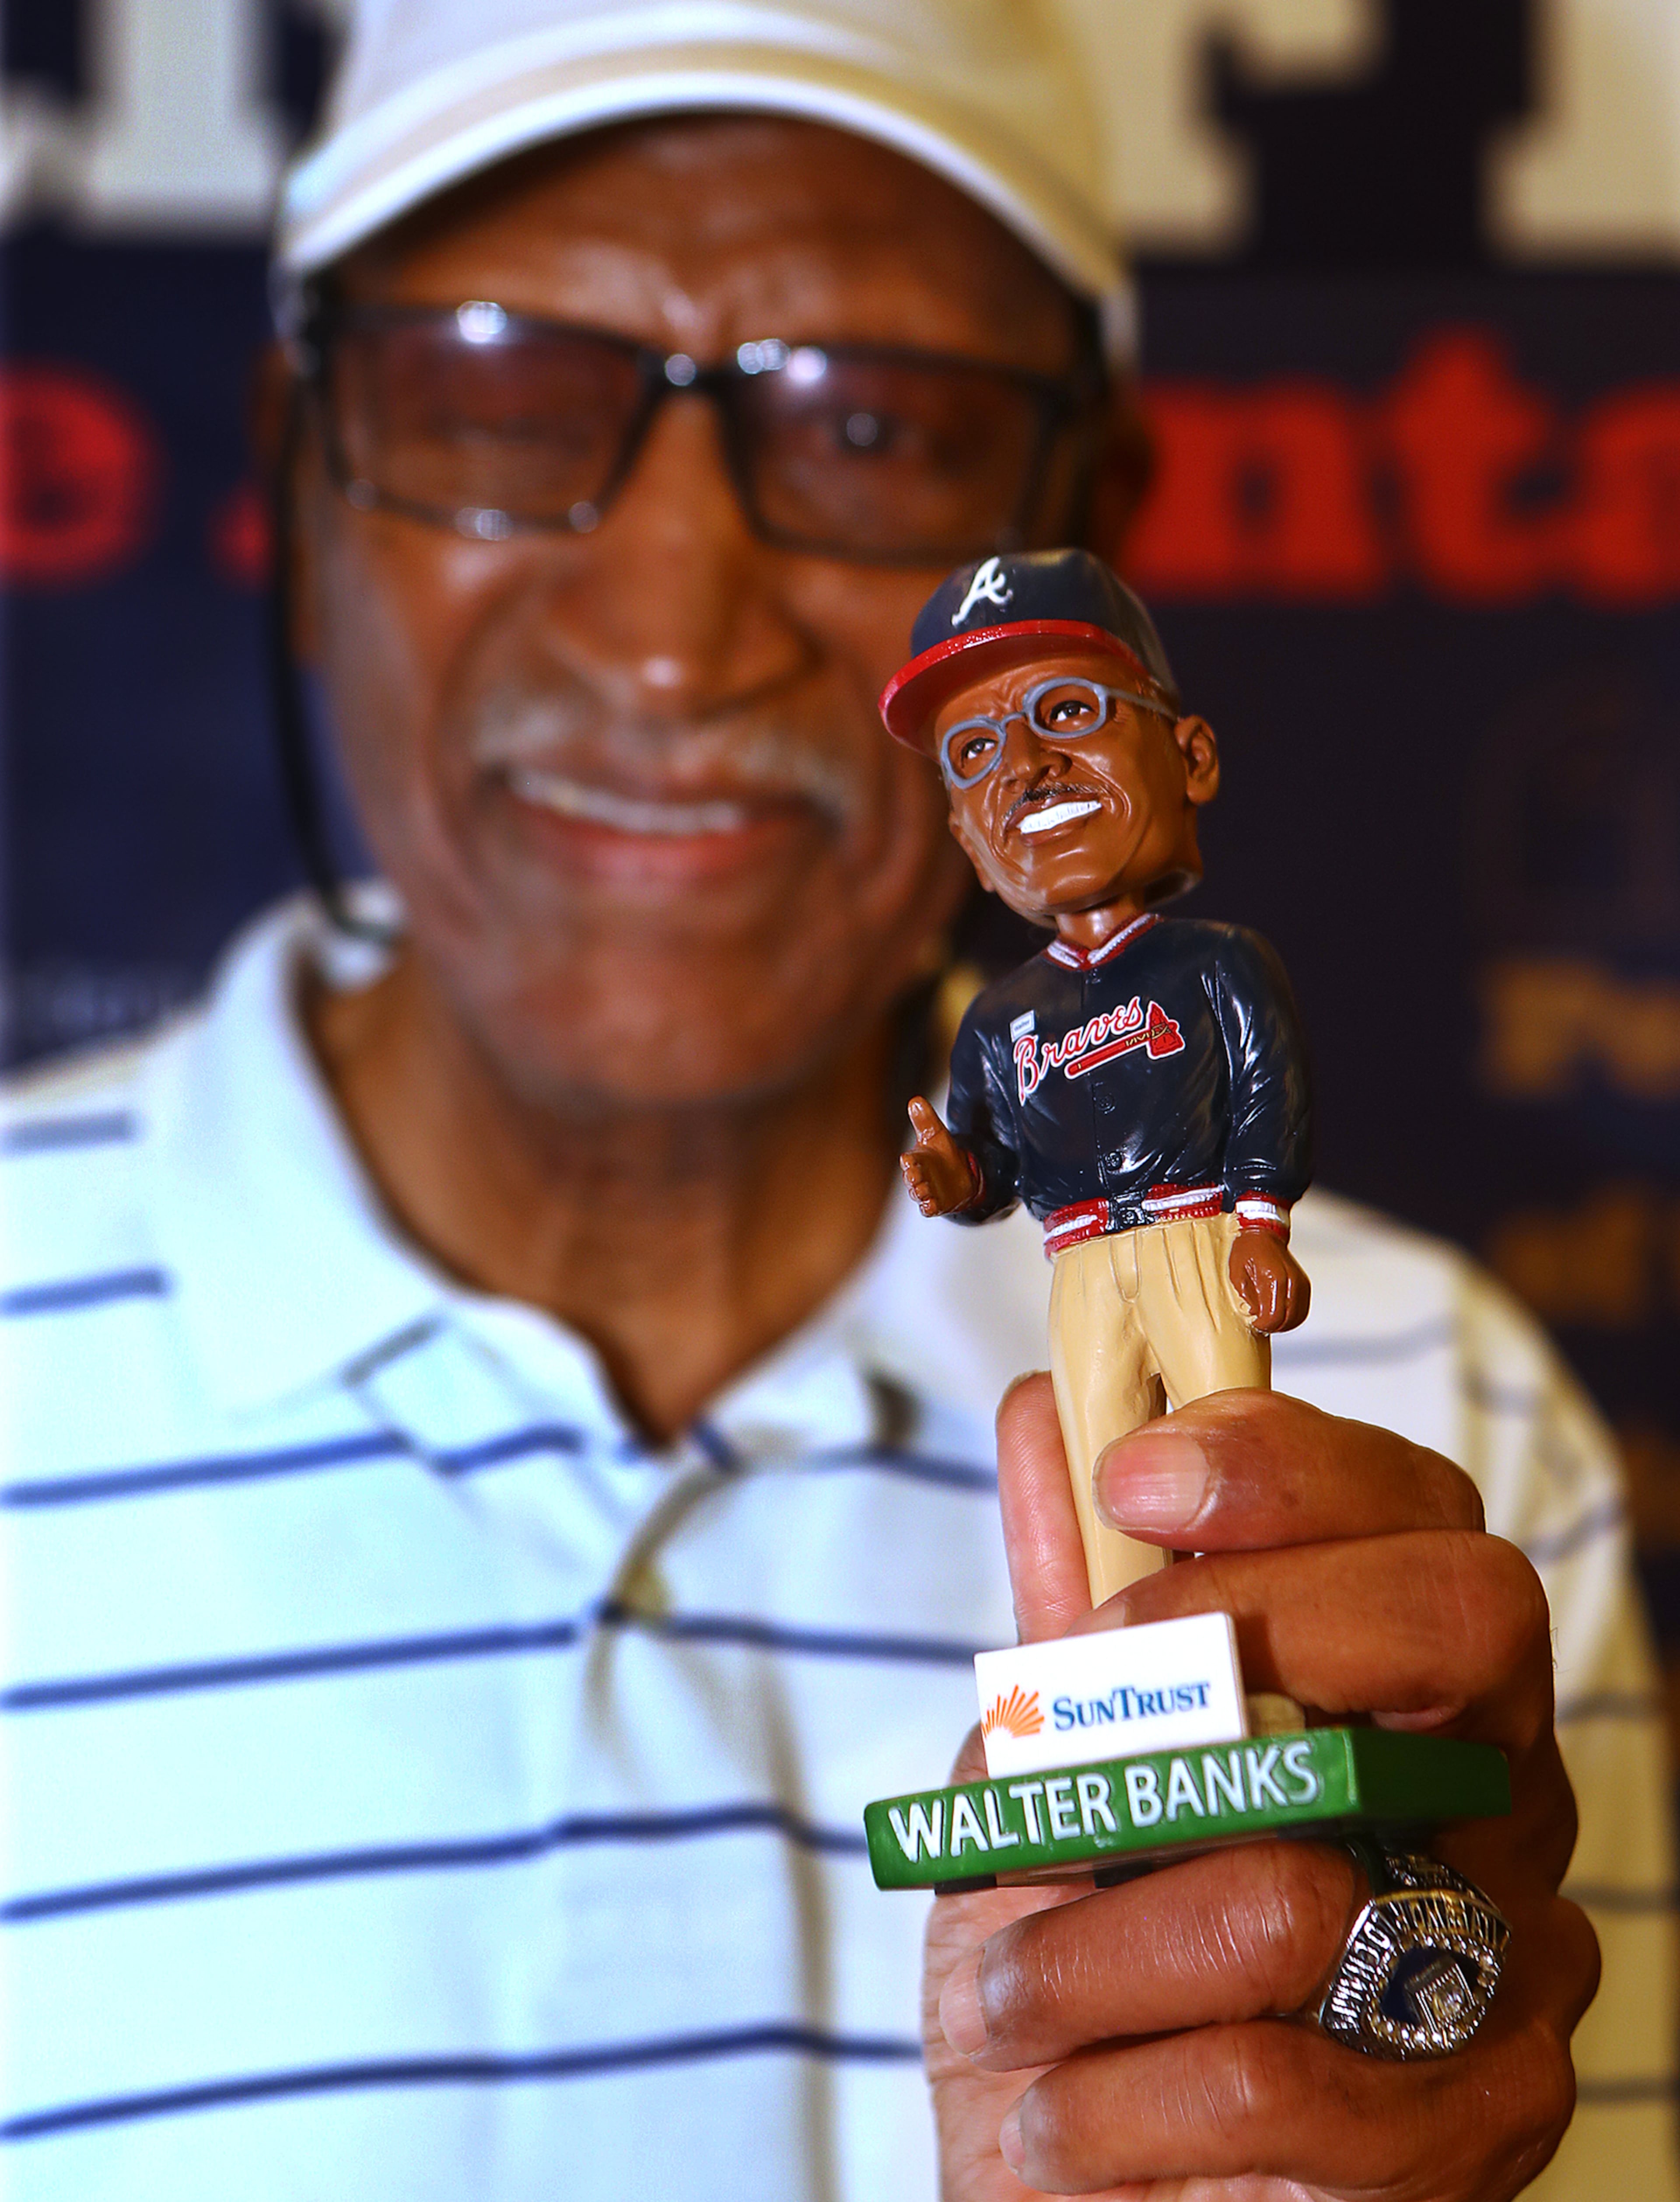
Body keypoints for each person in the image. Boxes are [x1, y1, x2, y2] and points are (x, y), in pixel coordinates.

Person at [0, 4, 1671, 2198]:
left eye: (873, 425)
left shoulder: (1426, 1432)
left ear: (1106, 545)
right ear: (299, 487)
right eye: (503, 387)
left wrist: (1384, 2044)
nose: (678, 633)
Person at [892, 548, 1312, 1602]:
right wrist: (957, 1180)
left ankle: (1255, 1673)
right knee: (1102, 1483)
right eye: (975, 748)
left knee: (1231, 1469)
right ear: (963, 835)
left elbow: (1270, 1090)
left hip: (1198, 1233)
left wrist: (1260, 1219)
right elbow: (992, 1162)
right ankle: (1130, 1682)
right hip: (1079, 1262)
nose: (1024, 764)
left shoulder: (1216, 959)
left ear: (1192, 757)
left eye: (1068, 712)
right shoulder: (999, 1017)